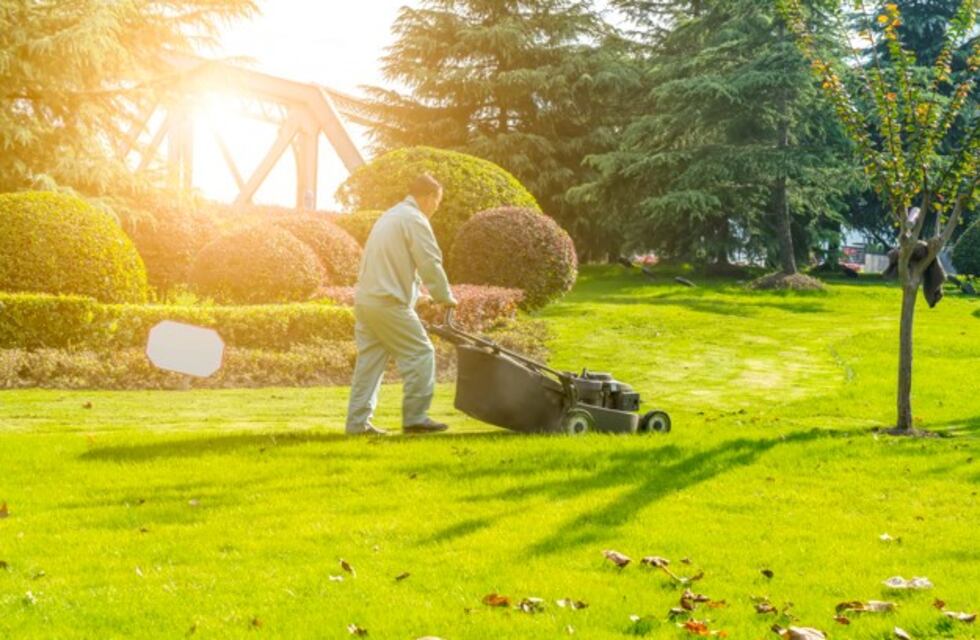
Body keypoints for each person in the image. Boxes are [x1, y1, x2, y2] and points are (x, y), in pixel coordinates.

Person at [344, 174, 458, 436]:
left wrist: (419, 297)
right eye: (437, 202)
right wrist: (444, 296)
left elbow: (397, 263)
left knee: (370, 364)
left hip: (367, 301)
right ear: (429, 197)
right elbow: (429, 262)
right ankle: (416, 418)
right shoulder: (415, 219)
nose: (436, 208)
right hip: (388, 303)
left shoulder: (391, 216)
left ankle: (357, 424)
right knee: (421, 353)